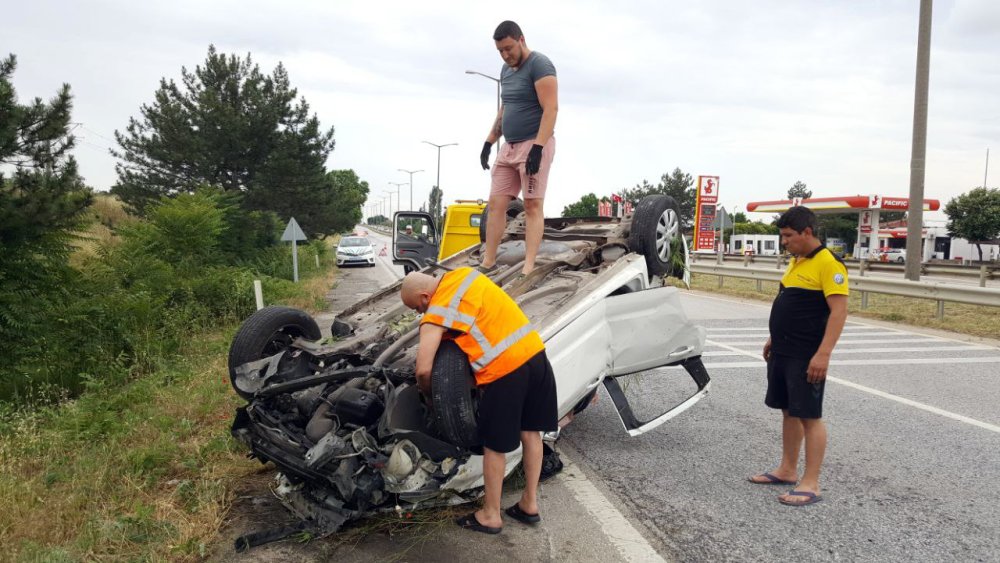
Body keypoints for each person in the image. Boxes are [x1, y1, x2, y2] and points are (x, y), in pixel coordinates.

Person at [400, 268, 558, 533]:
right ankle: (529, 504)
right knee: (531, 434)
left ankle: (490, 515)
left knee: (494, 447)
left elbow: (424, 370)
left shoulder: (436, 310)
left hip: (504, 370)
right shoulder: (465, 275)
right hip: (535, 355)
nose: (421, 313)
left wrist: (429, 396)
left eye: (418, 308)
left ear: (426, 296)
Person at [749, 206, 848, 506]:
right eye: (782, 236)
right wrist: (773, 337)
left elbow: (839, 311)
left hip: (807, 353)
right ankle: (788, 469)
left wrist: (823, 354)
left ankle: (811, 483)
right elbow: (789, 303)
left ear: (807, 232)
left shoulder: (828, 263)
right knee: (789, 410)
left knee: (809, 415)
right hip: (783, 348)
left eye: (788, 236)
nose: (784, 242)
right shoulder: (798, 261)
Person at [478, 20, 558, 278]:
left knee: (532, 205)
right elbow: (506, 107)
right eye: (500, 50)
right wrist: (489, 141)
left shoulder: (540, 65)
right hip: (509, 148)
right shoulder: (506, 70)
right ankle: (488, 262)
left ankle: (528, 266)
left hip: (533, 144)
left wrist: (538, 147)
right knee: (495, 203)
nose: (505, 54)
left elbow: (551, 109)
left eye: (509, 48)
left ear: (521, 40)